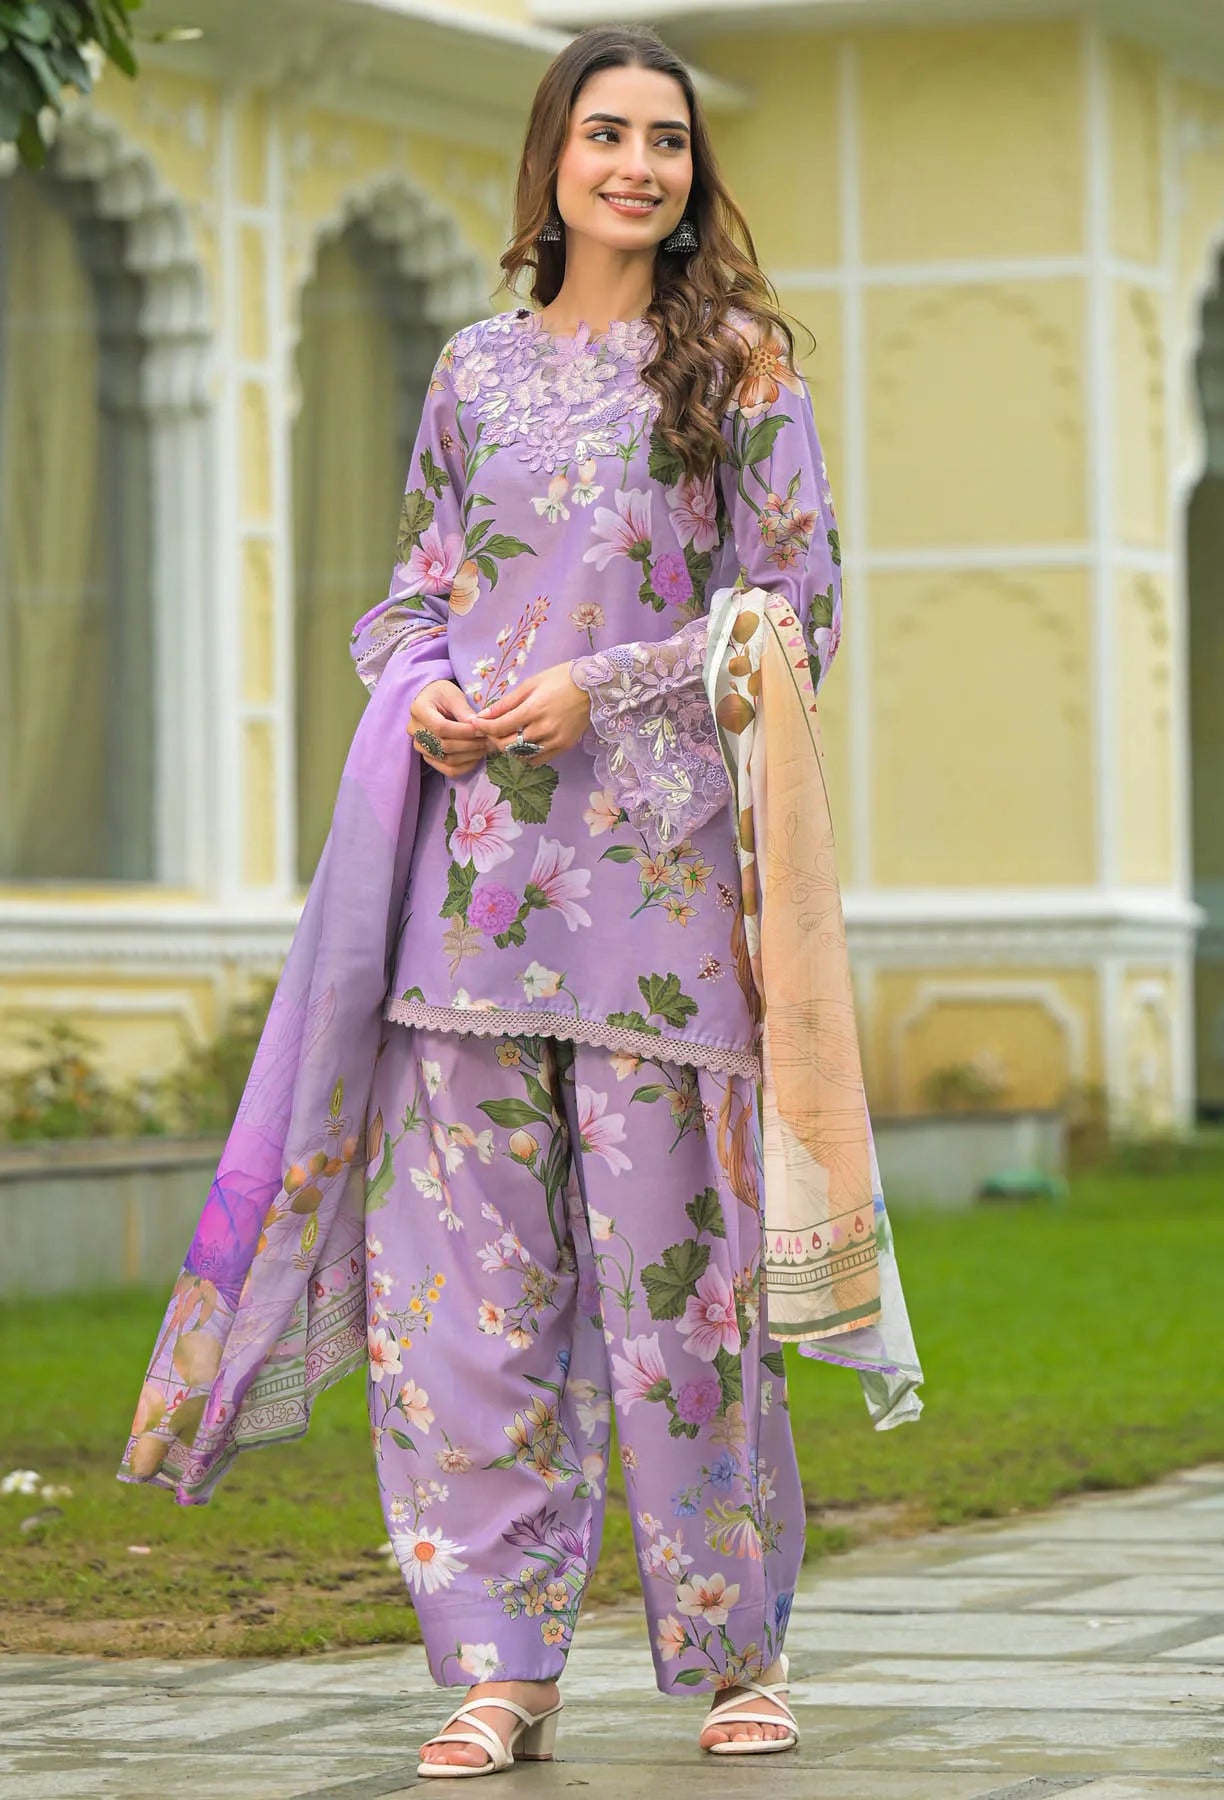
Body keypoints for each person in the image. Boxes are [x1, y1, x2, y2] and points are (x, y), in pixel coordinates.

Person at [119, 22, 922, 1780]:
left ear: (692, 173)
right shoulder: (473, 370)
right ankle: (498, 1665)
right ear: (551, 156)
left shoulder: (740, 365)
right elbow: (413, 589)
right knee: (462, 1309)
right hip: (467, 905)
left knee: (680, 1297)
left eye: (667, 140)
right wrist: (418, 690)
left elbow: (799, 616)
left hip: (656, 920)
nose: (638, 164)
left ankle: (731, 1652)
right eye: (607, 133)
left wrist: (604, 689)